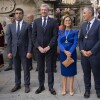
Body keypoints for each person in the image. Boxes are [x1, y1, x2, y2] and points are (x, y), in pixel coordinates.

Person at [32, 4, 58, 95]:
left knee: (50, 69)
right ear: (40, 11)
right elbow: (33, 36)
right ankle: (41, 86)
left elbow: (55, 36)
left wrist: (49, 46)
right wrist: (38, 47)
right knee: (40, 68)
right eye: (42, 10)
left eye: (45, 10)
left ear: (48, 11)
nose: (43, 11)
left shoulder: (54, 21)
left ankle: (51, 87)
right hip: (39, 50)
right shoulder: (36, 22)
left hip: (50, 49)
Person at [7, 8, 32, 93]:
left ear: (22, 14)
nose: (18, 15)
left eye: (20, 13)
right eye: (16, 13)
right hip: (14, 51)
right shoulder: (10, 26)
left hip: (24, 51)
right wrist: (9, 51)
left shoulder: (27, 25)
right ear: (14, 15)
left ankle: (27, 85)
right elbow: (9, 40)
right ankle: (17, 84)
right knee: (16, 69)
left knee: (26, 69)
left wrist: (29, 51)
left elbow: (30, 40)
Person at [79, 6, 100, 98]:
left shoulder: (98, 24)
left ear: (90, 13)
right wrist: (82, 50)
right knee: (86, 73)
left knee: (97, 73)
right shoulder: (83, 25)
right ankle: (87, 90)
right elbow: (80, 39)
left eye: (84, 13)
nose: (83, 15)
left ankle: (98, 90)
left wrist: (92, 51)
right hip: (84, 55)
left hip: (95, 55)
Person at [58, 16, 78, 96]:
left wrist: (70, 52)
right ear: (63, 22)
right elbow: (59, 42)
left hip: (72, 53)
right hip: (63, 53)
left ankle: (71, 88)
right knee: (64, 72)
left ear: (71, 22)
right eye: (66, 20)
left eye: (69, 20)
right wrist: (65, 51)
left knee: (71, 72)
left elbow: (75, 42)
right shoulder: (60, 31)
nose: (67, 22)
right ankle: (64, 88)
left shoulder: (75, 31)